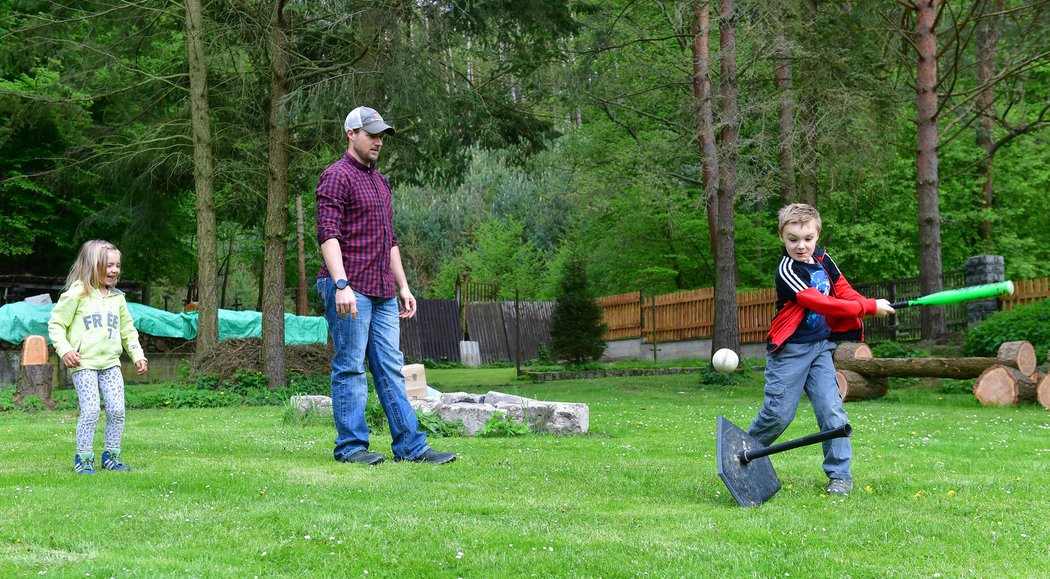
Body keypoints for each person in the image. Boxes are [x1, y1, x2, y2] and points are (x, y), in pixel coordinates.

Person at [315, 106, 455, 466]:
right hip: (349, 287)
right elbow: (328, 235)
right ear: (351, 134)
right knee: (350, 366)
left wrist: (403, 286)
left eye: (381, 135)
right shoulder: (336, 177)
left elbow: (388, 239)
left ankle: (411, 447)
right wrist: (341, 283)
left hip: (382, 290)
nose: (378, 141)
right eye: (371, 133)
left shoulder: (381, 182)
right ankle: (351, 448)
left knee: (391, 368)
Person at [747, 204, 894, 496]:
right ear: (782, 237)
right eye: (793, 239)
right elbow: (820, 303)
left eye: (807, 238)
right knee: (778, 415)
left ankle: (840, 475)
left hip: (821, 349)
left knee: (832, 411)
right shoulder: (787, 269)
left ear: (817, 235)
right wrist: (868, 307)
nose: (801, 246)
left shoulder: (824, 261)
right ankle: (741, 451)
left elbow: (844, 292)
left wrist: (868, 303)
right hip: (790, 352)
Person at [48, 240, 147, 474]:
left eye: (117, 266)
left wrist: (138, 355)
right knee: (91, 411)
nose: (114, 270)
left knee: (117, 410)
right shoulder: (77, 294)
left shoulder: (117, 298)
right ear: (92, 265)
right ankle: (84, 458)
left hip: (111, 364)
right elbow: (56, 324)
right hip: (84, 364)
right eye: (108, 265)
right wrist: (65, 350)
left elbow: (127, 330)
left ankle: (111, 455)